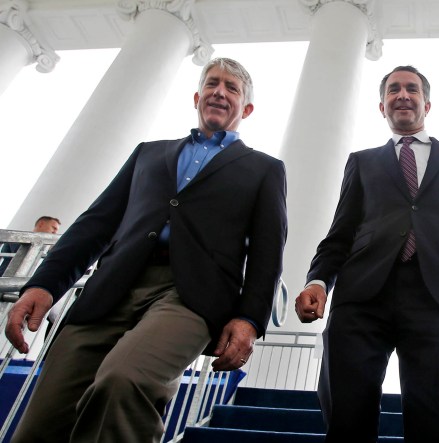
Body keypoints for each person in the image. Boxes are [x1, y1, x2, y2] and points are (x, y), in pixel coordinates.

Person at [4, 57, 287, 442]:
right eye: (212, 83)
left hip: (189, 297)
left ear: (247, 108)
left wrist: (250, 319)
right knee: (44, 420)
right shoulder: (147, 154)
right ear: (197, 96)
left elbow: (269, 253)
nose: (219, 92)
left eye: (232, 88)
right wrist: (44, 285)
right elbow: (95, 224)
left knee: (126, 380)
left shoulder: (264, 169)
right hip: (112, 286)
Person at [295, 65, 439, 442]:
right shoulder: (362, 162)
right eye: (393, 90)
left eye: (411, 89)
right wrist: (318, 281)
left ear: (427, 103)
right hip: (362, 299)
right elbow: (341, 232)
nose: (402, 95)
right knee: (347, 419)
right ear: (382, 107)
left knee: (438, 424)